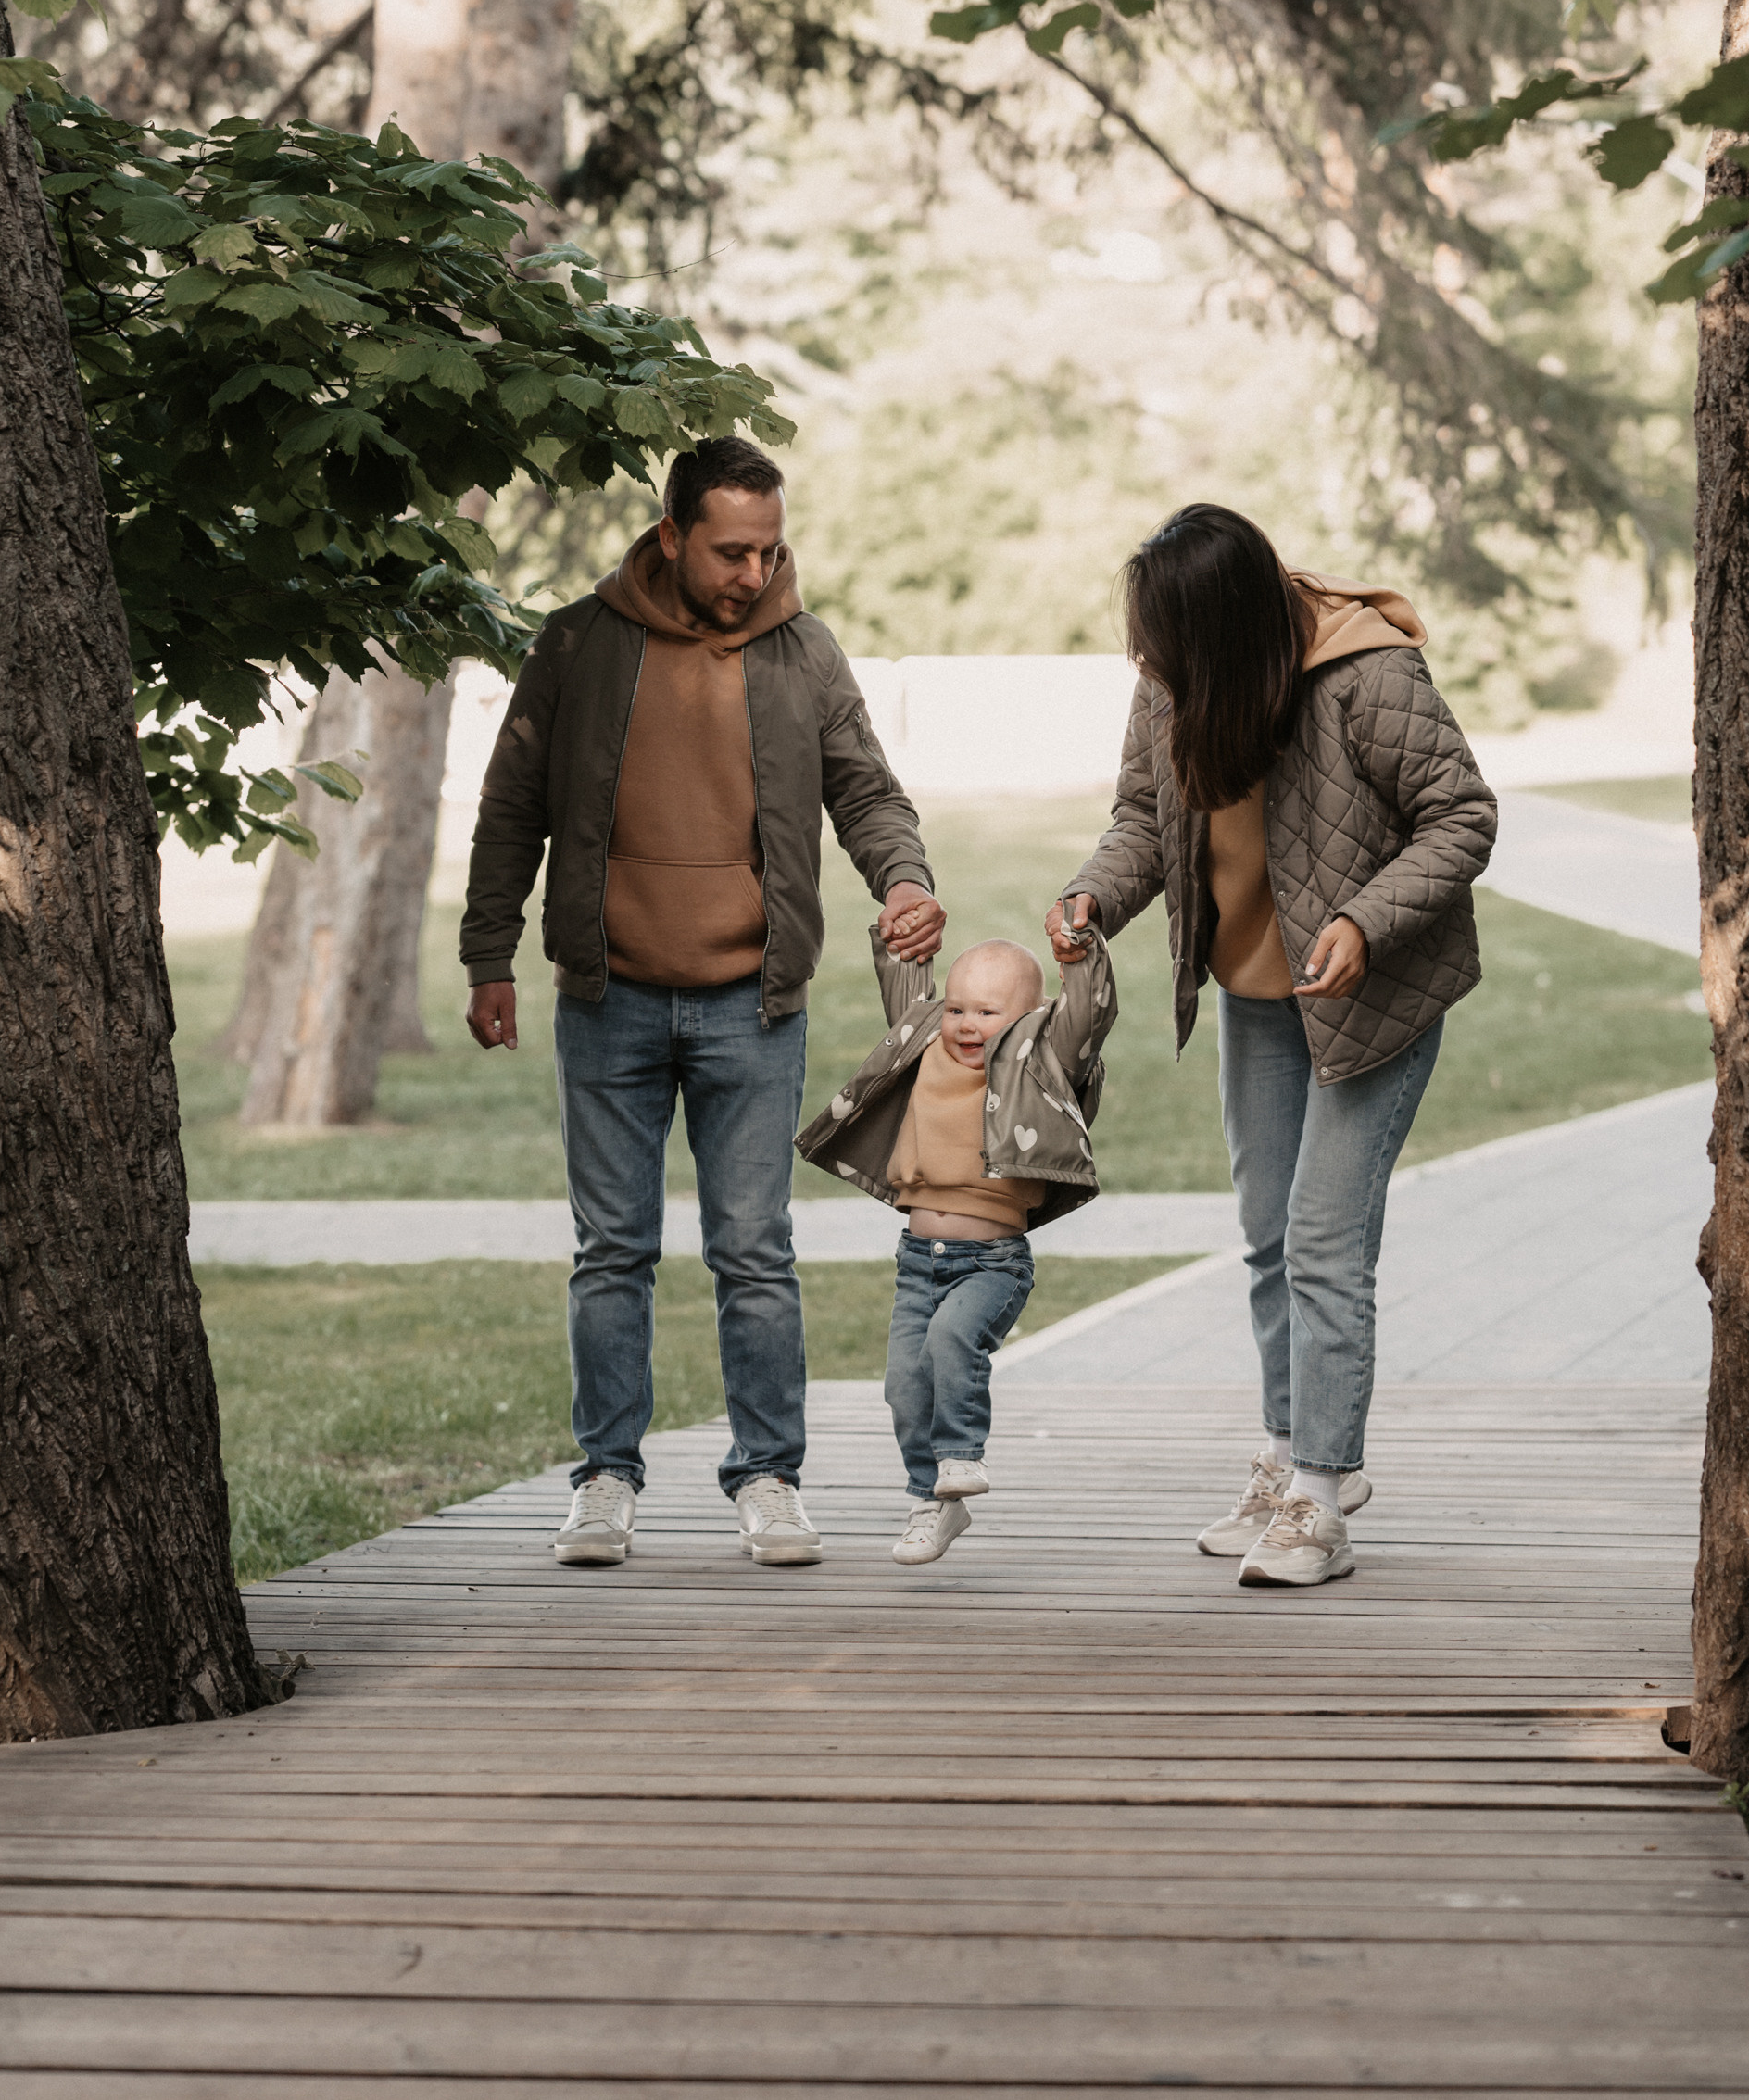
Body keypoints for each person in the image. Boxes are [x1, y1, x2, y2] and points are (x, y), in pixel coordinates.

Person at [459, 434, 945, 1570]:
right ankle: (605, 1479)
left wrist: (904, 878)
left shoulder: (801, 650)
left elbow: (867, 791)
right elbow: (511, 803)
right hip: (609, 997)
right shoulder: (578, 642)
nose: (752, 571)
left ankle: (769, 1477)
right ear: (671, 534)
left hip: (751, 1004)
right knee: (612, 1250)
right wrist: (490, 954)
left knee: (754, 1251)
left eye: (768, 549)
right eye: (730, 550)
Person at [1047, 505, 1495, 1590]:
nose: (1148, 664)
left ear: (1230, 630)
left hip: (1372, 997)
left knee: (1323, 1240)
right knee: (1265, 1236)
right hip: (1258, 998)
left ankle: (1323, 1501)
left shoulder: (1367, 675)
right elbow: (1143, 819)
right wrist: (1093, 893)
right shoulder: (1172, 679)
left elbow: (1461, 815)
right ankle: (1294, 1455)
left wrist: (1364, 921)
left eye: (1165, 644)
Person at [797, 912, 1117, 1566]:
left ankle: (961, 1455)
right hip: (918, 1261)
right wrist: (900, 932)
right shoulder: (923, 1042)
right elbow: (903, 980)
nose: (967, 1025)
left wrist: (1080, 952)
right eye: (957, 1009)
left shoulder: (1041, 1059)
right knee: (903, 1385)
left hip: (992, 1263)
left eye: (988, 1013)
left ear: (1033, 1018)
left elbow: (1087, 1012)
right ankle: (932, 1501)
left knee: (951, 1342)